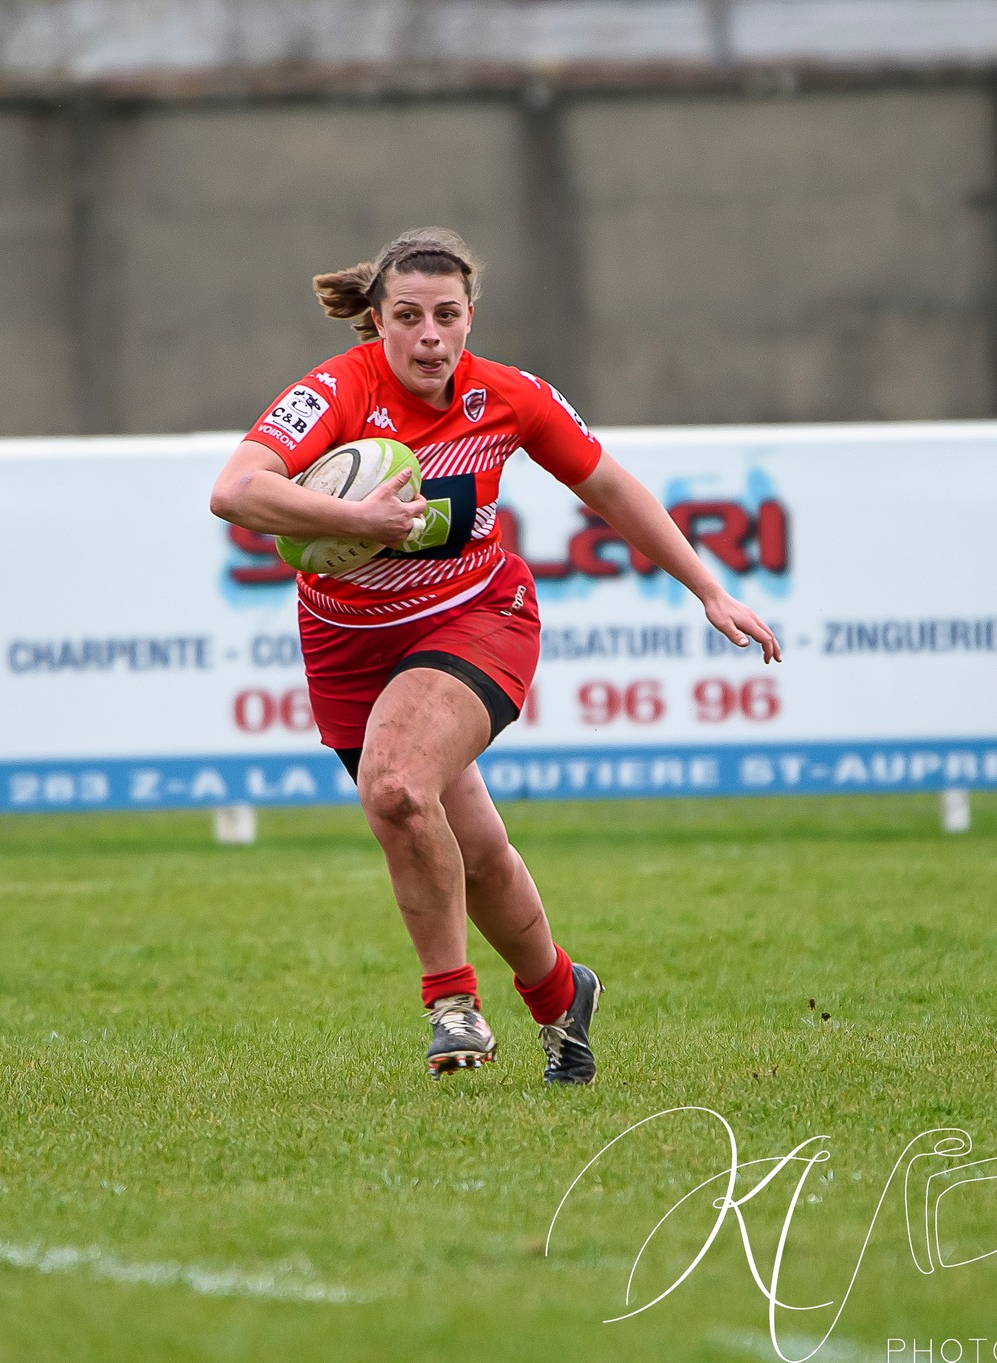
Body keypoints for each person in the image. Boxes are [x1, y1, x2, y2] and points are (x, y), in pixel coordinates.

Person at [209, 227, 779, 1083]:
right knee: (468, 848)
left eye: (446, 315)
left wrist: (708, 588)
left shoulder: (509, 396)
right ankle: (562, 995)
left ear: (470, 315)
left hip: (477, 617)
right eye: (408, 316)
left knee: (396, 788)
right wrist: (356, 519)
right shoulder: (333, 390)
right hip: (346, 644)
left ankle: (453, 1005)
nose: (429, 335)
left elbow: (609, 486)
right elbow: (234, 490)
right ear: (377, 320)